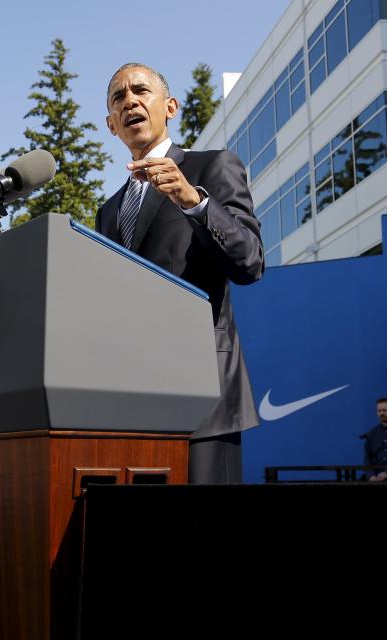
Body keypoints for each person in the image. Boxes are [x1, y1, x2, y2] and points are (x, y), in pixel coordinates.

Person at [97, 63, 264, 483]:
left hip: (203, 397)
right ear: (111, 125)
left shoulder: (212, 167)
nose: (130, 101)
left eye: (140, 91)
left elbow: (250, 262)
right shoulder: (108, 211)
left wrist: (194, 202)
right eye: (118, 98)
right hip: (133, 403)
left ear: (169, 106)